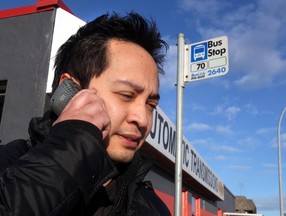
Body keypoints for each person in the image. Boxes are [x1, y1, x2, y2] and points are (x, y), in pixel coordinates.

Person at [0, 12, 170, 216]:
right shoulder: (8, 163)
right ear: (70, 91)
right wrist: (71, 148)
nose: (143, 119)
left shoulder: (155, 207)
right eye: (126, 95)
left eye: (150, 105)